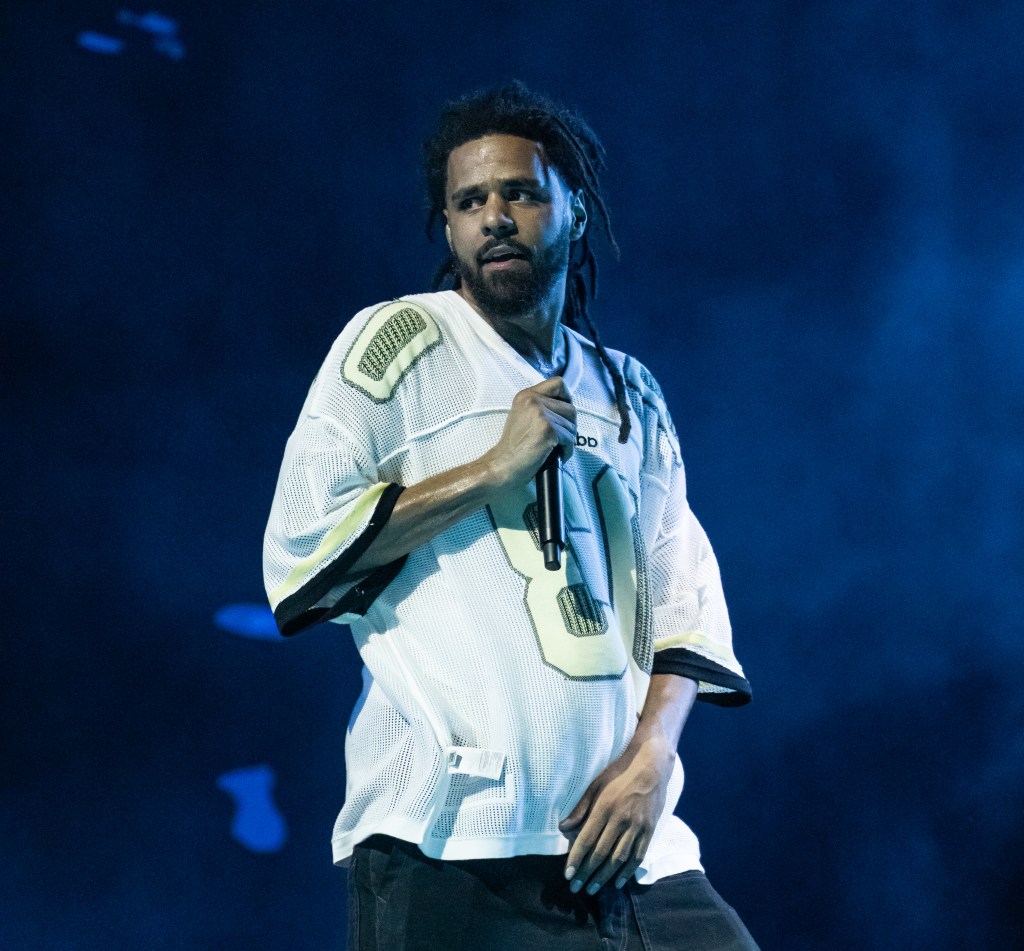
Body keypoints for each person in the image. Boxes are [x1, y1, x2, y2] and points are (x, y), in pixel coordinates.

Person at [263, 81, 758, 950]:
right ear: (448, 228)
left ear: (574, 209)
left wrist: (652, 763)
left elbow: (683, 602)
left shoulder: (630, 390)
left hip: (635, 847)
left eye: (520, 193)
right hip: (458, 847)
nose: (495, 216)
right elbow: (303, 551)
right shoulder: (397, 348)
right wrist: (493, 467)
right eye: (469, 201)